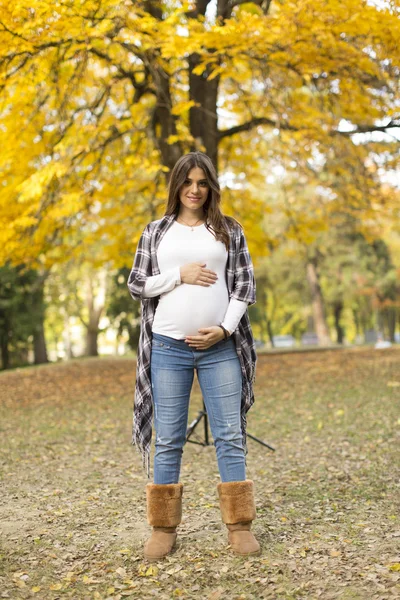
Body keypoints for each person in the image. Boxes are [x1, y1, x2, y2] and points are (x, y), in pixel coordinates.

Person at [127, 151, 260, 561]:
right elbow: (137, 284)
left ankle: (239, 526)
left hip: (219, 348)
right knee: (168, 440)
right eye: (188, 182)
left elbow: (244, 288)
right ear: (177, 185)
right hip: (168, 347)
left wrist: (223, 328)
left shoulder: (228, 230)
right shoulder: (156, 231)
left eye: (203, 182)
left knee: (229, 437)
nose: (195, 190)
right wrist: (177, 276)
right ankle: (162, 529)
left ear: (211, 187)